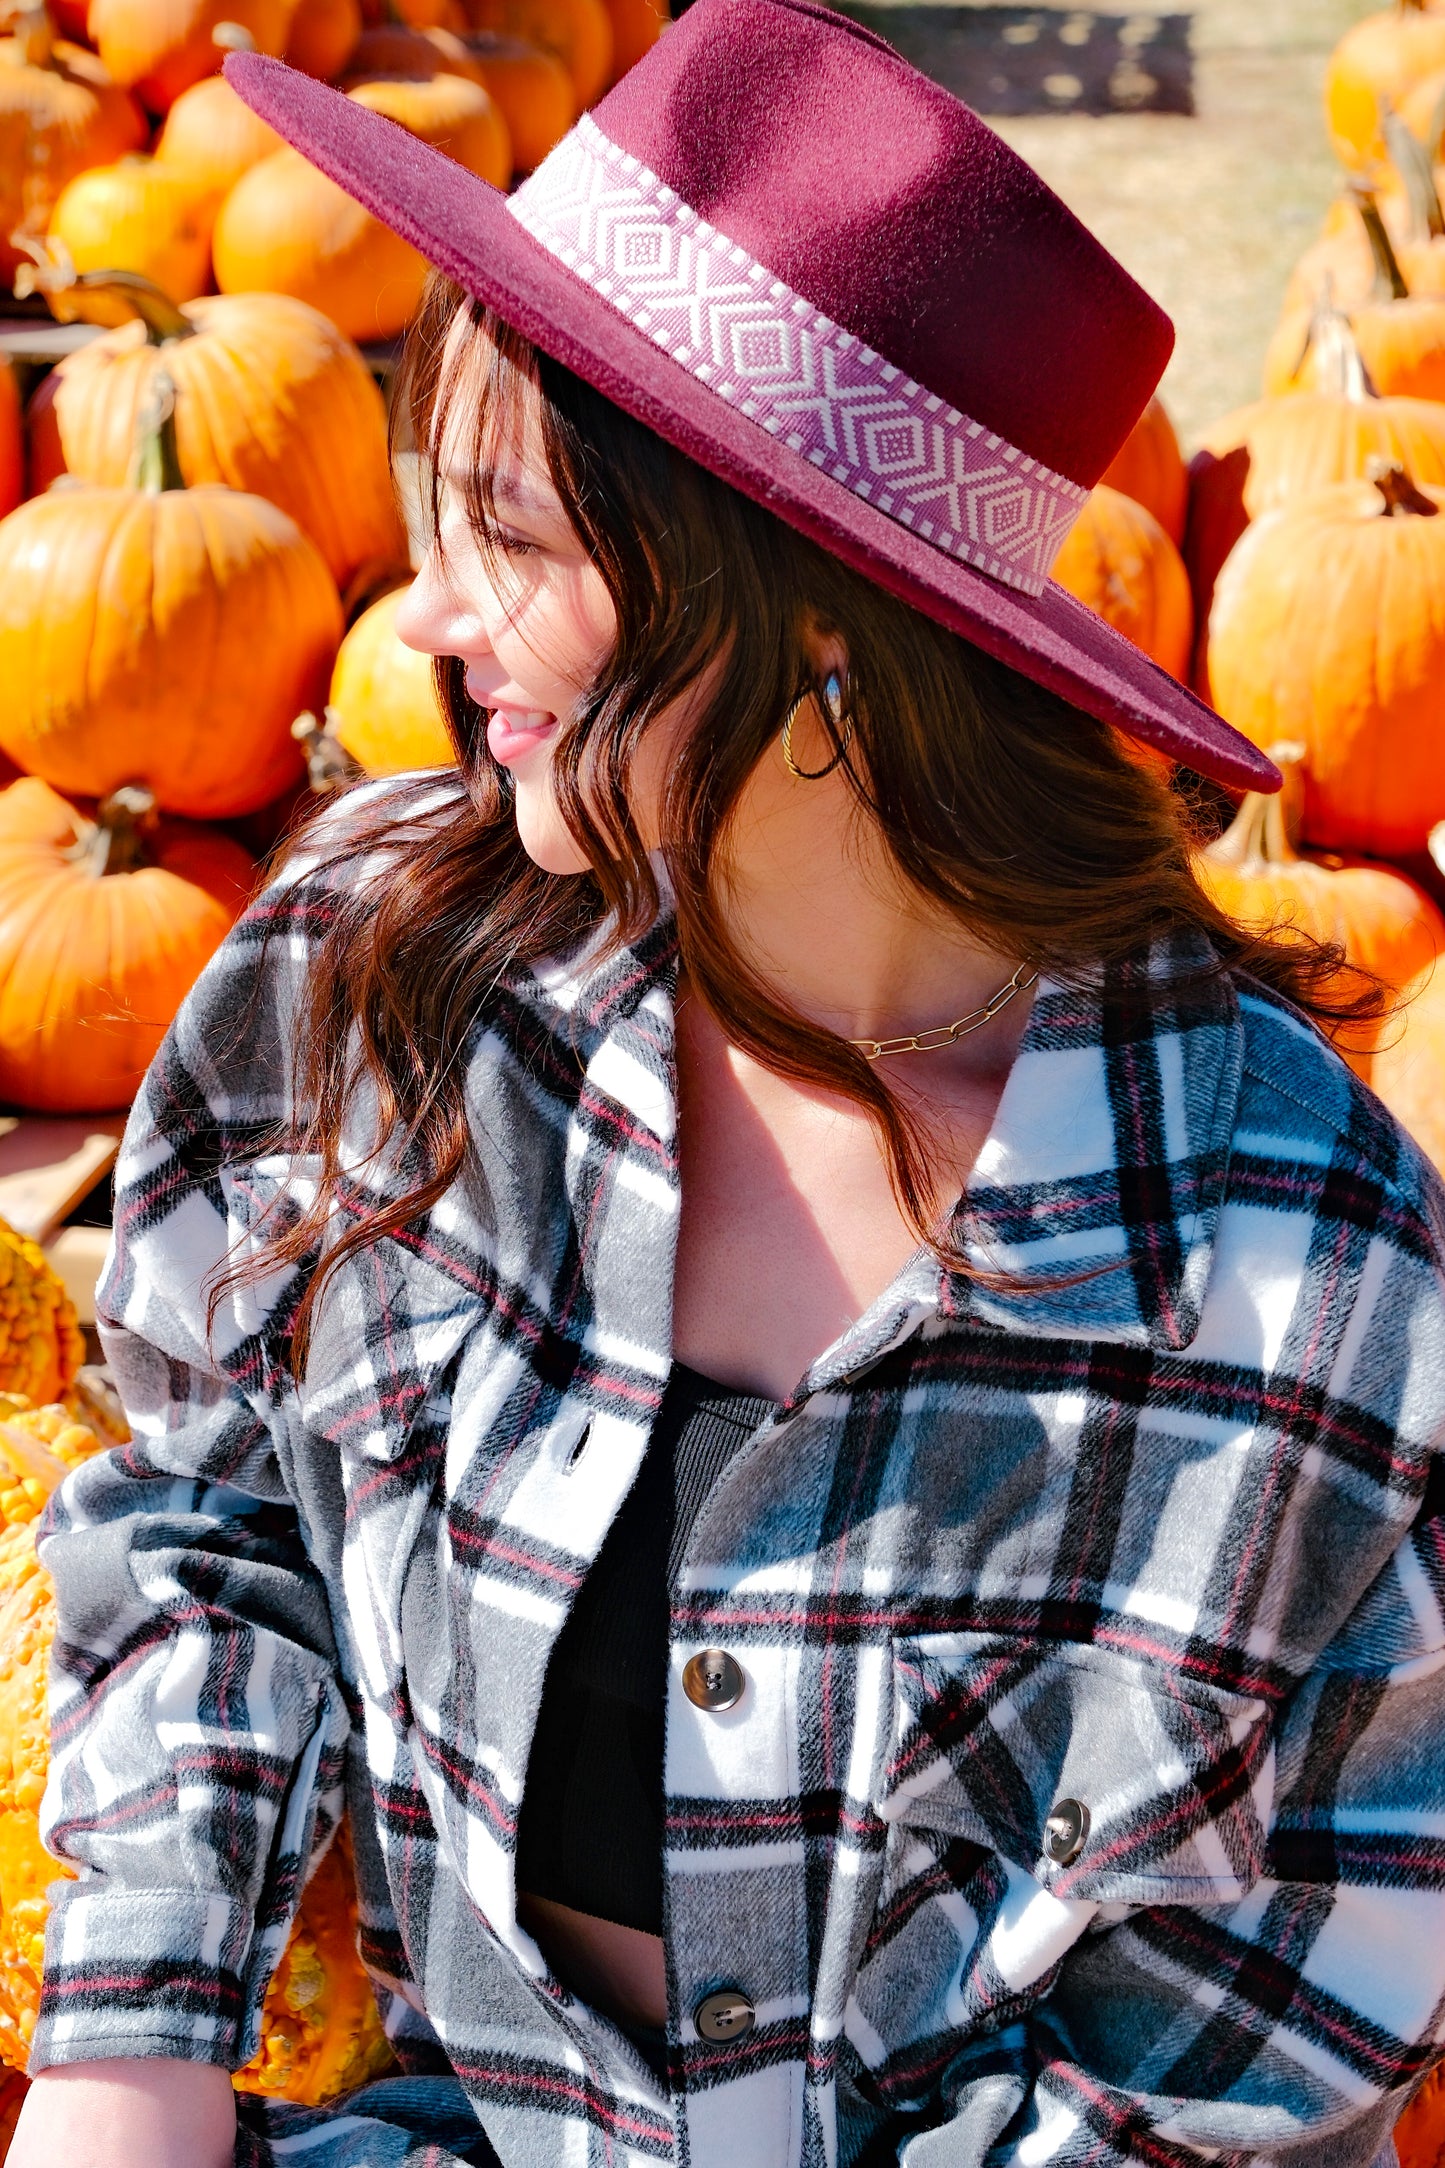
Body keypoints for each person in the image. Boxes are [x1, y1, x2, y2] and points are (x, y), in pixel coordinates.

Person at [12, 3, 1445, 2164]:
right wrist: (129, 2068)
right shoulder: (378, 976)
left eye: (515, 539)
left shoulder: (1280, 1264)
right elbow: (211, 1510)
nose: (425, 619)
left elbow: (1262, 2015)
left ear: (818, 618)